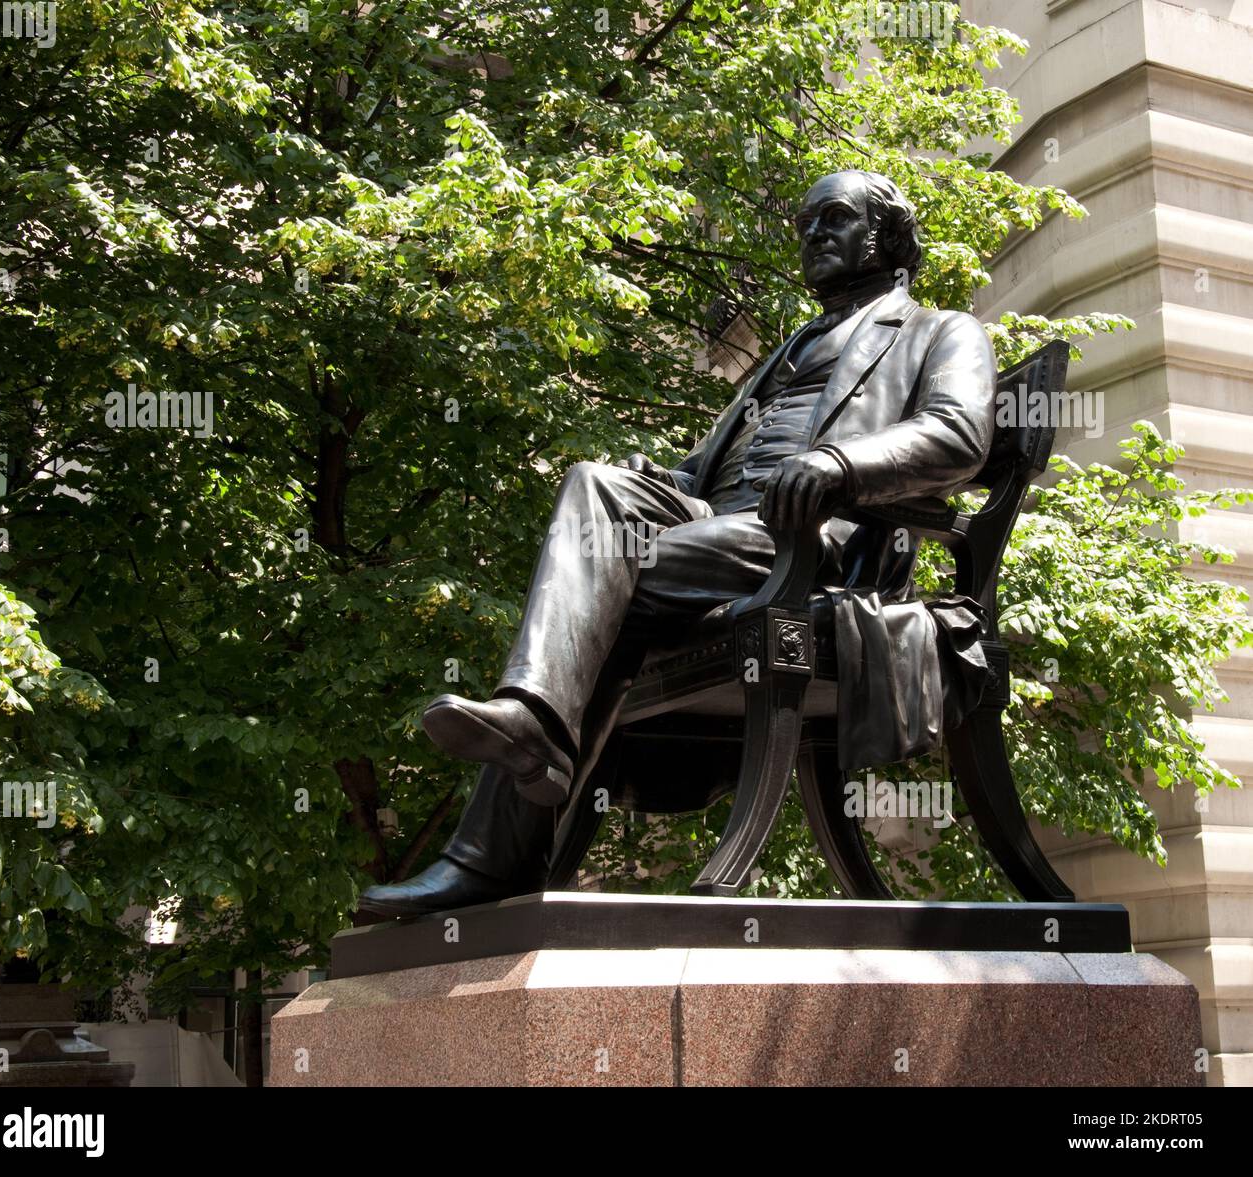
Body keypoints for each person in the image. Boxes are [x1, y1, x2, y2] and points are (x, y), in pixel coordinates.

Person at [359, 170, 997, 917]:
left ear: (885, 236)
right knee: (594, 483)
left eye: (834, 218)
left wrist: (838, 463)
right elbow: (701, 470)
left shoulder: (937, 330)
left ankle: (492, 847)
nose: (812, 235)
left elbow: (958, 435)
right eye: (803, 223)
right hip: (714, 533)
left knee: (607, 579)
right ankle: (531, 721)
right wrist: (656, 475)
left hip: (810, 544)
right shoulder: (790, 347)